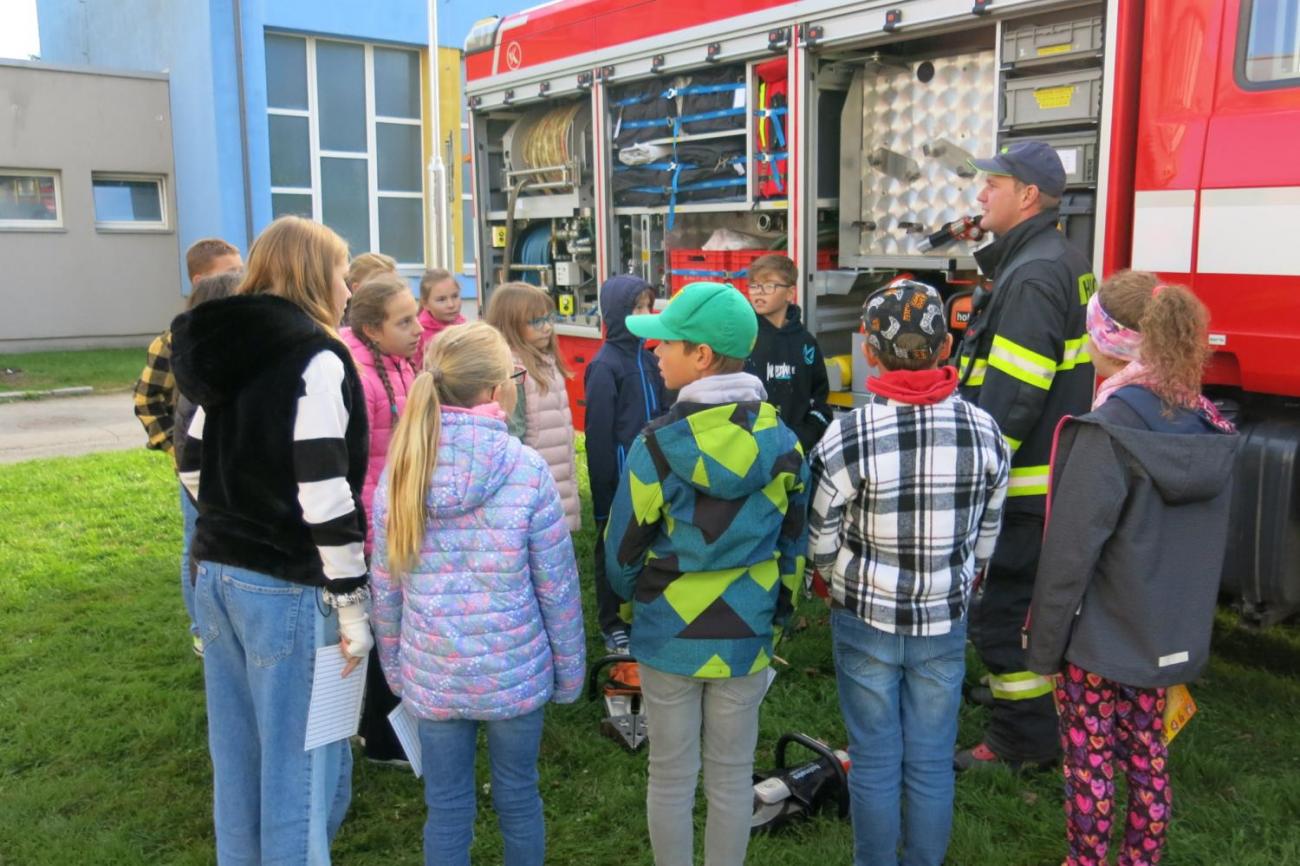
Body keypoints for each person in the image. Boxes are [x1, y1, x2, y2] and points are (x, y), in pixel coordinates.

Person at [170, 216, 373, 865]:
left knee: (238, 765)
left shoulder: (229, 349)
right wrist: (351, 600)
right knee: (298, 774)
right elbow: (323, 483)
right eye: (343, 273)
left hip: (219, 577)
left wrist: (233, 514)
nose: (349, 289)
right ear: (317, 276)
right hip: (287, 586)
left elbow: (190, 456)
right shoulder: (315, 355)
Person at [1026, 272, 1239, 866]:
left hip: (1097, 637)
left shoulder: (1110, 427)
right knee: (1148, 752)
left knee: (1091, 757)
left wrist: (1045, 645)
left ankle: (1085, 860)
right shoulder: (1202, 420)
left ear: (1109, 339)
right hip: (1160, 633)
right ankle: (1141, 858)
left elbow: (1071, 551)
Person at [605, 281, 809, 866]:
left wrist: (634, 602)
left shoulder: (656, 445)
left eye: (665, 341)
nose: (653, 350)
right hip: (747, 637)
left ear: (701, 356)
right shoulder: (786, 444)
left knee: (670, 776)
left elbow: (621, 555)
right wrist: (779, 614)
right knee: (731, 776)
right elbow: (794, 549)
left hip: (667, 636)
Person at [808, 280, 1010, 866]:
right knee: (929, 761)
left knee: (873, 760)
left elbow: (819, 535)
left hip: (865, 616)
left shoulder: (848, 433)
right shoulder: (984, 430)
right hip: (943, 619)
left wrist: (831, 580)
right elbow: (988, 534)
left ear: (869, 351)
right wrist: (966, 579)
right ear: (946, 347)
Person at [370, 321, 586, 866]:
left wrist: (397, 669)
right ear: (497, 390)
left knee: (444, 807)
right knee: (518, 796)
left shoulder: (402, 469)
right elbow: (557, 586)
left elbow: (385, 587)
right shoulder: (525, 468)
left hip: (433, 672)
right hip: (515, 673)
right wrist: (569, 672)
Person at [953, 140, 1096, 771]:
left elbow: (1013, 399)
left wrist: (977, 476)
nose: (981, 194)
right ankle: (1040, 713)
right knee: (1028, 608)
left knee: (1002, 611)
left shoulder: (1034, 275)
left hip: (1025, 484)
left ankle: (1020, 739)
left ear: (1028, 196)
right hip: (1053, 474)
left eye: (993, 184)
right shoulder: (1056, 257)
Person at [132, 236, 243, 655]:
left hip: (235, 464)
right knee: (195, 541)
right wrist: (175, 450)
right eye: (229, 274)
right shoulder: (173, 340)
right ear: (200, 280)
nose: (239, 280)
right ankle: (202, 627)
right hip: (195, 466)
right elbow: (146, 399)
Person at [339, 272, 422, 766]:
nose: (416, 328)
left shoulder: (401, 365)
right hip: (375, 527)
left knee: (397, 630)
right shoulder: (363, 377)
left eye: (415, 316)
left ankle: (393, 730)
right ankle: (379, 738)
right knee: (381, 633)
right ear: (371, 328)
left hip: (398, 518)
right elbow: (359, 461)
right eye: (404, 320)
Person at [584, 274, 667, 653]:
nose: (645, 313)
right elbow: (599, 436)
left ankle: (644, 612)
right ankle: (611, 620)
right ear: (617, 313)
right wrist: (605, 497)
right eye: (636, 307)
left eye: (649, 306)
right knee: (612, 550)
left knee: (646, 546)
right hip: (619, 482)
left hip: (654, 477)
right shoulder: (605, 366)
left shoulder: (651, 360)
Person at [172, 270, 242, 655]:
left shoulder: (208, 366)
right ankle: (205, 629)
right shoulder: (210, 377)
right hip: (223, 524)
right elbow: (194, 463)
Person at [485, 282, 581, 532]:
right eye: (536, 321)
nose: (547, 327)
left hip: (552, 480)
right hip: (529, 491)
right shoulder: (515, 372)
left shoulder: (545, 361)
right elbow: (512, 436)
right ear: (510, 324)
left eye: (549, 318)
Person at [744, 253, 832, 453]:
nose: (759, 292)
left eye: (769, 286)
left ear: (790, 293)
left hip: (797, 453)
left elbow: (820, 402)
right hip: (751, 452)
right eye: (754, 285)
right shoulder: (743, 339)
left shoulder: (806, 344)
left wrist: (802, 439)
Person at [416, 267, 467, 361]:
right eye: (441, 300)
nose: (451, 305)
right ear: (425, 304)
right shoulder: (418, 333)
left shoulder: (465, 326)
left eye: (455, 296)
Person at [342, 252, 398, 325]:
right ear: (357, 289)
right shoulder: (349, 324)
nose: (393, 292)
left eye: (395, 285)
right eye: (382, 287)